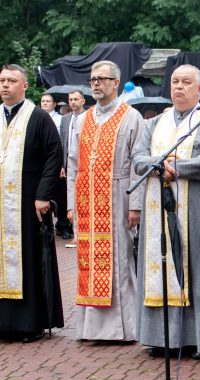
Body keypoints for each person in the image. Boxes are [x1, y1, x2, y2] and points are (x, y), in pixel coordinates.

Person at [133, 64, 200, 359]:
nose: (179, 87)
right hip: (158, 205)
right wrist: (158, 165)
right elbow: (139, 157)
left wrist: (177, 169)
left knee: (196, 266)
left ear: (199, 89)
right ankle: (159, 338)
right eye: (174, 82)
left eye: (186, 82)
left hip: (193, 207)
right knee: (159, 262)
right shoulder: (153, 123)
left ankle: (197, 339)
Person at [67, 60, 146, 341]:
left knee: (120, 261)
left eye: (102, 79)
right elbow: (73, 163)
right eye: (92, 80)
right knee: (87, 263)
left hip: (118, 196)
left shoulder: (130, 116)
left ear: (116, 82)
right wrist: (70, 204)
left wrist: (136, 203)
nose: (96, 84)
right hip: (87, 199)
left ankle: (124, 329)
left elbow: (139, 163)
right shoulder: (82, 118)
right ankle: (90, 328)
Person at [0, 64, 64, 341]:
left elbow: (54, 155)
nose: (5, 86)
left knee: (29, 258)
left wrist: (43, 195)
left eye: (11, 81)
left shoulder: (38, 117)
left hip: (28, 202)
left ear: (24, 85)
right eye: (2, 80)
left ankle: (30, 323)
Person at [57, 90, 85, 240]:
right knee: (67, 196)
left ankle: (81, 229)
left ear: (83, 101)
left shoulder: (89, 117)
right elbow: (62, 142)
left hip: (84, 163)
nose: (73, 102)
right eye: (70, 99)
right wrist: (61, 164)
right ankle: (68, 227)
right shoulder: (65, 119)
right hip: (68, 163)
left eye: (76, 99)